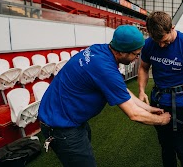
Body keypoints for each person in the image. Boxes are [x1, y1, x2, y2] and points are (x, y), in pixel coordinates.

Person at [38, 25, 171, 167]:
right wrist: (161, 120)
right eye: (135, 54)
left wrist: (148, 109)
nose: (137, 57)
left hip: (69, 118)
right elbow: (134, 114)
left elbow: (121, 90)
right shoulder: (104, 68)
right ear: (121, 52)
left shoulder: (99, 49)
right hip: (61, 125)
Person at [138, 11, 183, 167]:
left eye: (165, 41)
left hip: (181, 104)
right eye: (157, 41)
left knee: (182, 148)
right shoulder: (150, 44)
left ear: (172, 28)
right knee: (165, 147)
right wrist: (141, 90)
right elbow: (143, 67)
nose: (161, 45)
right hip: (158, 102)